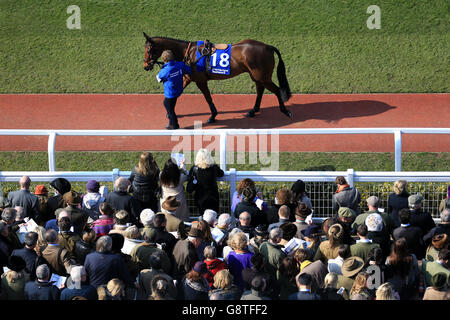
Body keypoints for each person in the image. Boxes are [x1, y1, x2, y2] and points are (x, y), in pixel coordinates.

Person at [156, 49, 192, 130]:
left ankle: (174, 125)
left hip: (170, 93)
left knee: (169, 107)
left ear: (164, 60)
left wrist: (162, 70)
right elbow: (189, 70)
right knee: (171, 106)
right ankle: (172, 123)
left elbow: (158, 78)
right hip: (178, 90)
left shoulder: (165, 70)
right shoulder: (180, 65)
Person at [187, 148, 224, 214]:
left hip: (200, 199)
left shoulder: (194, 169)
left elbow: (189, 186)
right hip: (213, 198)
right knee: (214, 219)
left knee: (202, 220)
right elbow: (221, 174)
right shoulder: (214, 167)